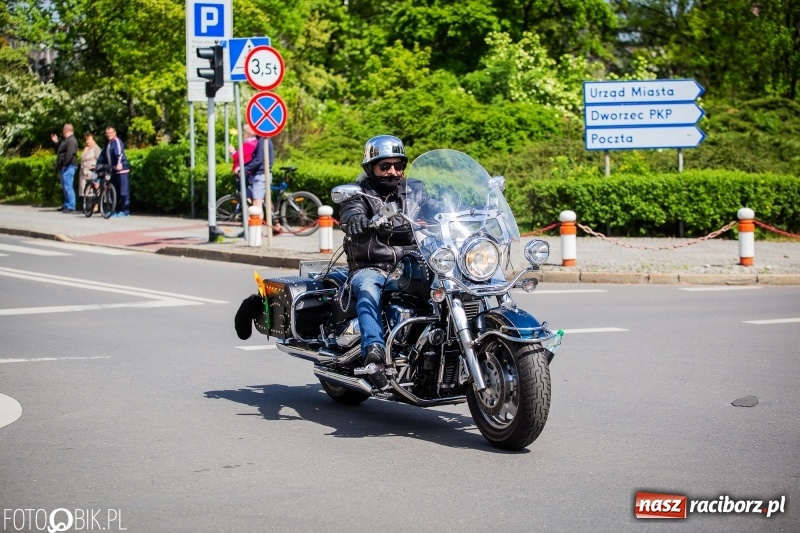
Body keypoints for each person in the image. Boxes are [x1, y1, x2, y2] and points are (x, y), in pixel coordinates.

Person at [339, 134, 441, 389]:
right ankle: (373, 351)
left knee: (451, 282)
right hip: (372, 265)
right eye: (385, 166)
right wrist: (356, 220)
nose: (393, 171)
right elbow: (351, 212)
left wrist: (460, 210)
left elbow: (435, 206)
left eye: (398, 165)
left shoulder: (414, 190)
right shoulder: (359, 193)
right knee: (368, 289)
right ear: (370, 167)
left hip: (411, 263)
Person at [243, 135, 281, 234]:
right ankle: (276, 225)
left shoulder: (262, 141)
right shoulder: (264, 140)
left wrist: (244, 168)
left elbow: (258, 159)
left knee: (257, 204)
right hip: (262, 174)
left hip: (260, 175)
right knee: (266, 201)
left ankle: (257, 232)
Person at [96, 126, 130, 217]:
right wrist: (98, 165)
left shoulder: (117, 142)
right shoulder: (108, 144)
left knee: (123, 191)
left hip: (121, 170)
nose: (109, 135)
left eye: (110, 133)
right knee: (114, 191)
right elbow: (102, 156)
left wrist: (119, 164)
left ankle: (125, 211)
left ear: (115, 133)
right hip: (113, 171)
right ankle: (115, 210)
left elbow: (120, 153)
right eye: (107, 133)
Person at [51, 124, 79, 213]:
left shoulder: (71, 140)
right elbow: (61, 150)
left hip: (69, 165)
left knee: (68, 186)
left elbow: (70, 154)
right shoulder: (66, 140)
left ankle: (71, 206)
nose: (62, 131)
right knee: (65, 187)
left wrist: (65, 164)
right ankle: (67, 204)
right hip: (65, 166)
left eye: (63, 129)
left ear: (66, 130)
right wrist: (56, 142)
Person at [78, 132, 102, 210]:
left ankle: (96, 205)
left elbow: (100, 160)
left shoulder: (96, 148)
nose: (88, 141)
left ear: (94, 140)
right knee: (85, 189)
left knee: (94, 188)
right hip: (84, 172)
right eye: (87, 140)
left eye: (90, 140)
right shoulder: (85, 148)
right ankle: (87, 206)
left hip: (92, 171)